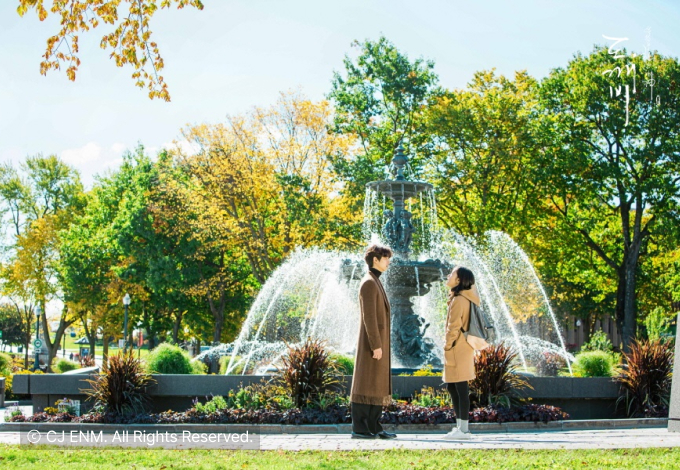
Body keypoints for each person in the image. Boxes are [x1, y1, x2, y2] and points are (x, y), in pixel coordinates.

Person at [350, 243, 397, 440]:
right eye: (385, 258)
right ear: (375, 260)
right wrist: (376, 345)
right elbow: (369, 317)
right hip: (371, 345)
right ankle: (360, 429)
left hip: (378, 343)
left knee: (375, 384)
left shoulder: (375, 281)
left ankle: (374, 427)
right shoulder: (369, 282)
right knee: (365, 383)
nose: (388, 262)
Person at [442, 266, 479, 440]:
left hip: (457, 346)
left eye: (452, 274)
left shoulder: (459, 300)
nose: (448, 276)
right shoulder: (465, 298)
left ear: (458, 281)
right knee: (454, 386)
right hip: (462, 346)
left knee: (460, 387)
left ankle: (463, 429)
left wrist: (447, 345)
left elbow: (453, 327)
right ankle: (460, 427)